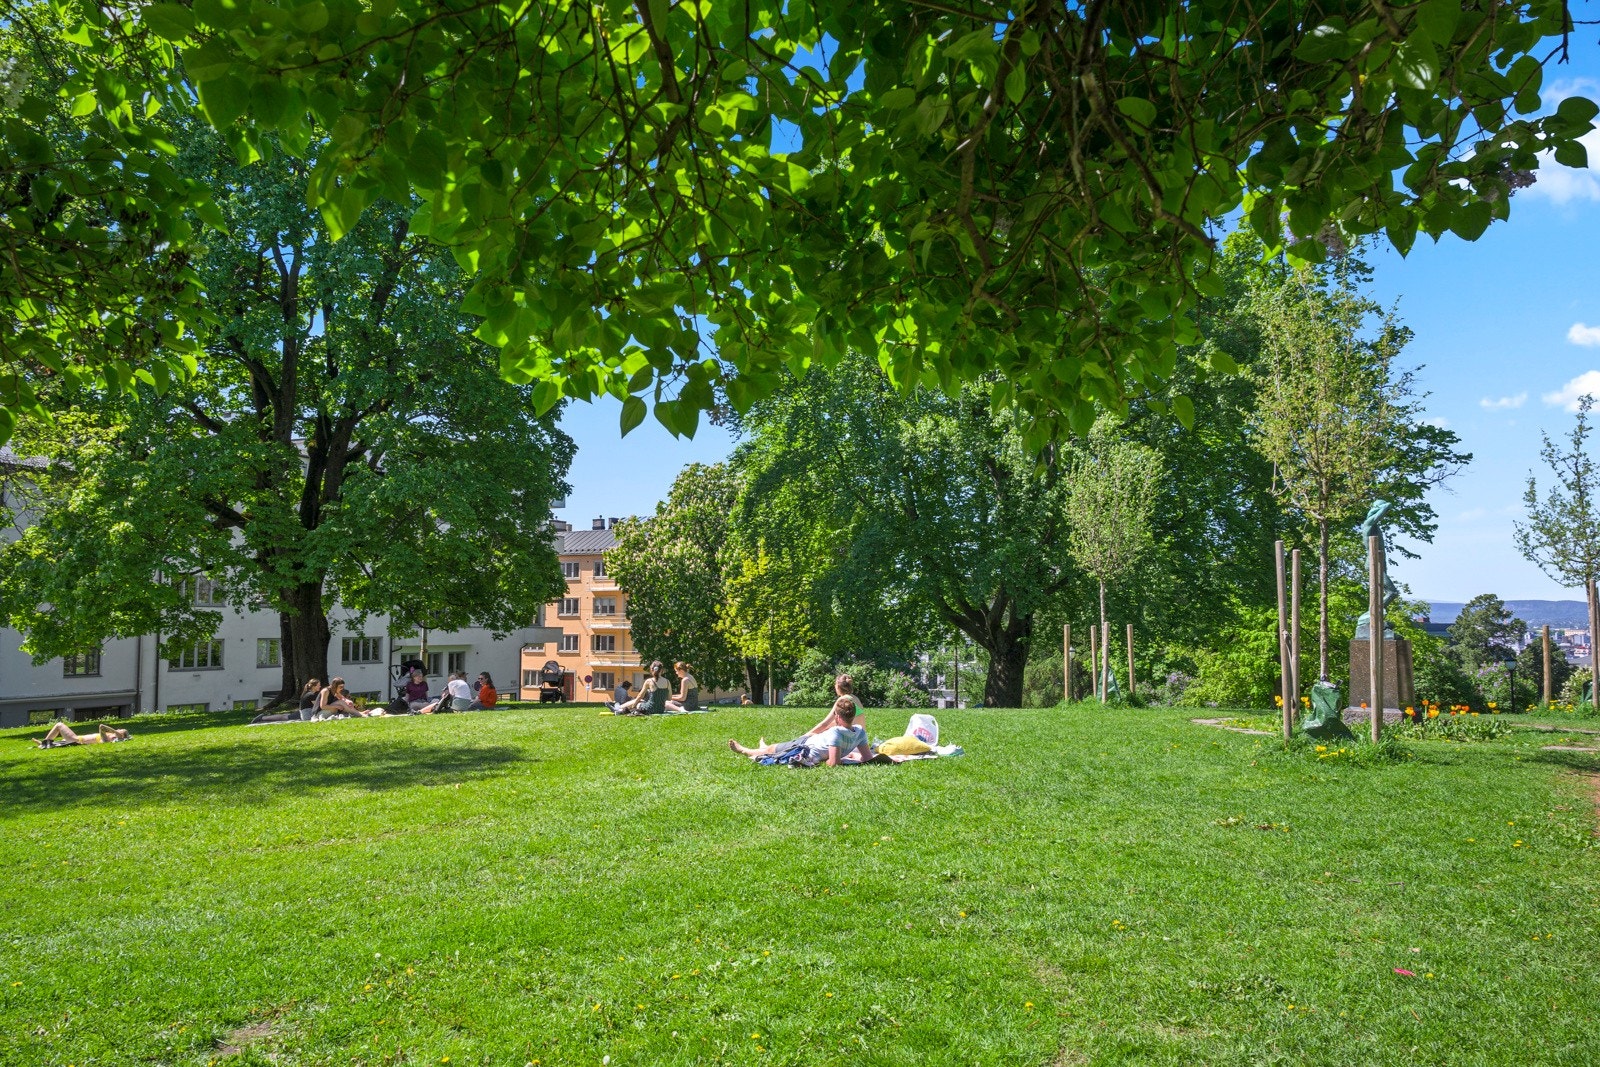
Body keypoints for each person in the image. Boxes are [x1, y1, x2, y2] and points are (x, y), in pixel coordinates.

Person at [727, 696, 873, 767]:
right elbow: (867, 757)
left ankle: (744, 750)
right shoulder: (860, 731)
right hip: (810, 740)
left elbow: (833, 763)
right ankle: (762, 747)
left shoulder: (836, 733)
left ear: (837, 716)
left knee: (772, 750)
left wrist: (836, 758)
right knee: (772, 748)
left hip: (804, 747)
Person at [249, 679, 322, 724]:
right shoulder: (311, 695)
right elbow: (317, 706)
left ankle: (263, 718)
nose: (320, 686)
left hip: (302, 712)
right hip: (305, 713)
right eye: (318, 685)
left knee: (285, 716)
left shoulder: (308, 693)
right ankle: (263, 718)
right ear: (314, 686)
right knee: (284, 717)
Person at [34, 721, 130, 748]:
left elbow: (101, 727)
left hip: (76, 740)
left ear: (121, 735)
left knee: (59, 725)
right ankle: (44, 743)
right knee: (59, 727)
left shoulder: (106, 740)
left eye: (120, 730)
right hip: (76, 739)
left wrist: (115, 732)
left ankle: (44, 743)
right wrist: (115, 732)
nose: (118, 729)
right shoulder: (109, 736)